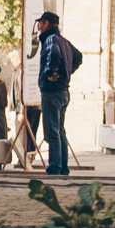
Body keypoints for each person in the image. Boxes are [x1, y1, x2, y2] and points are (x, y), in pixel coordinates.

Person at [35, 11, 83, 176]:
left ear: (46, 24)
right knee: (60, 130)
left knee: (52, 132)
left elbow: (54, 54)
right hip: (63, 91)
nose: (39, 27)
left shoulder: (51, 40)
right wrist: (66, 74)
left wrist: (51, 72)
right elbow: (78, 57)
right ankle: (63, 167)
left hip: (52, 92)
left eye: (40, 24)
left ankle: (54, 168)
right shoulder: (64, 41)